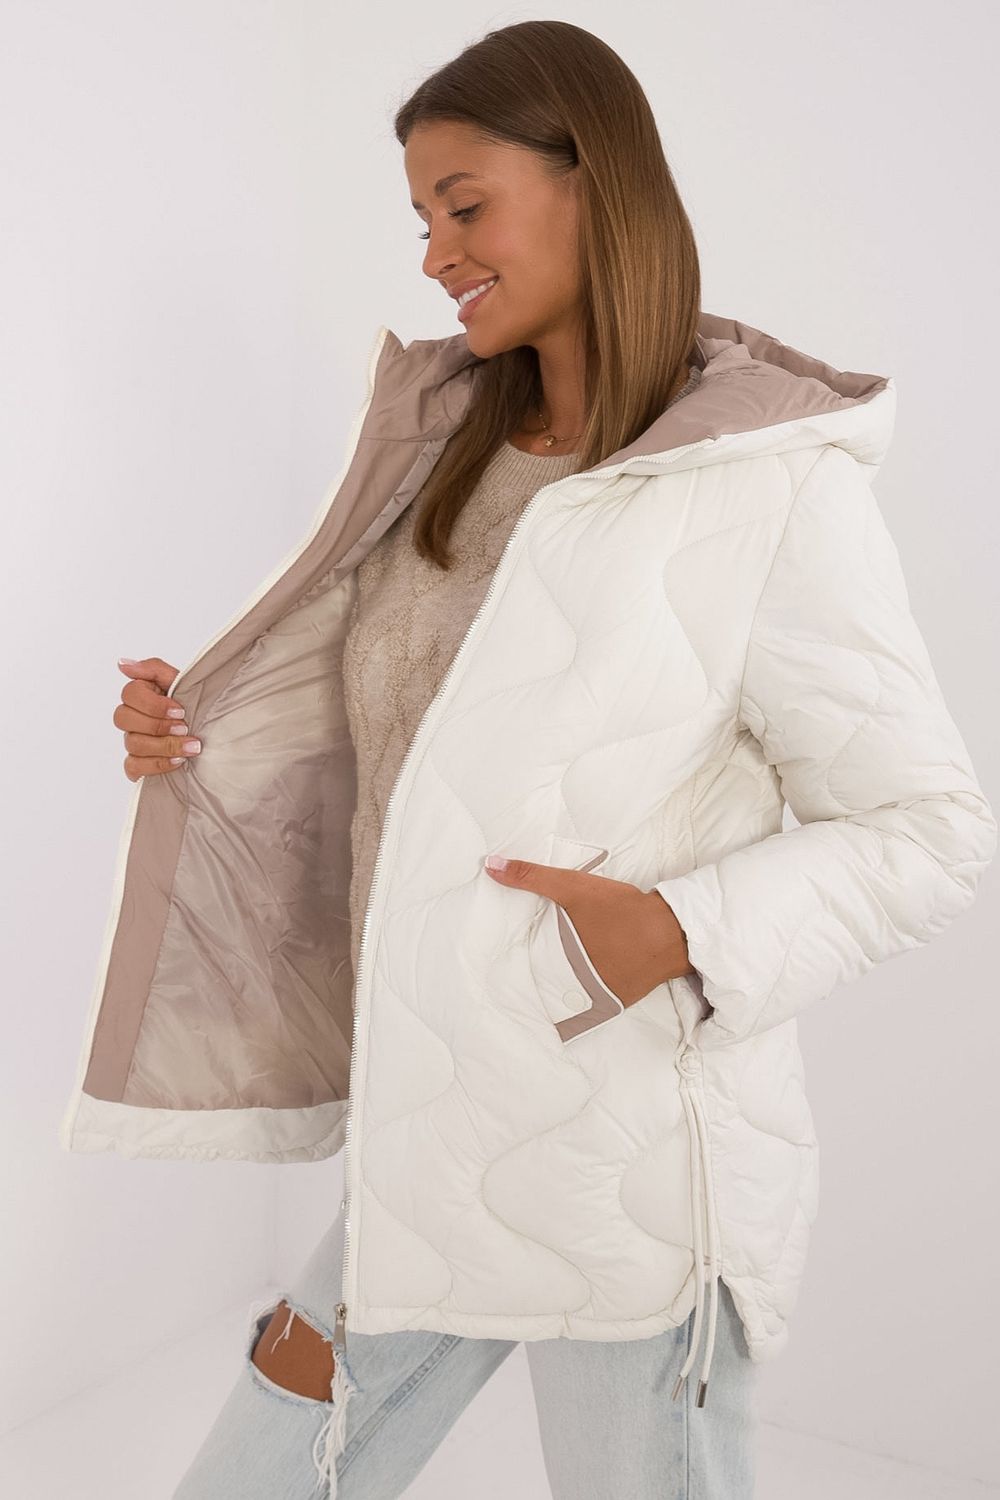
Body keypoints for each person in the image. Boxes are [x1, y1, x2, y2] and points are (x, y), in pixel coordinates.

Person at [61, 20, 996, 1500]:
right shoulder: (445, 453)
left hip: (634, 1170)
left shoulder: (766, 485)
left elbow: (929, 827)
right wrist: (204, 734)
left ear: (593, 183)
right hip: (430, 1145)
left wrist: (679, 930)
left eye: (465, 205)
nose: (437, 253)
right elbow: (408, 743)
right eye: (421, 221)